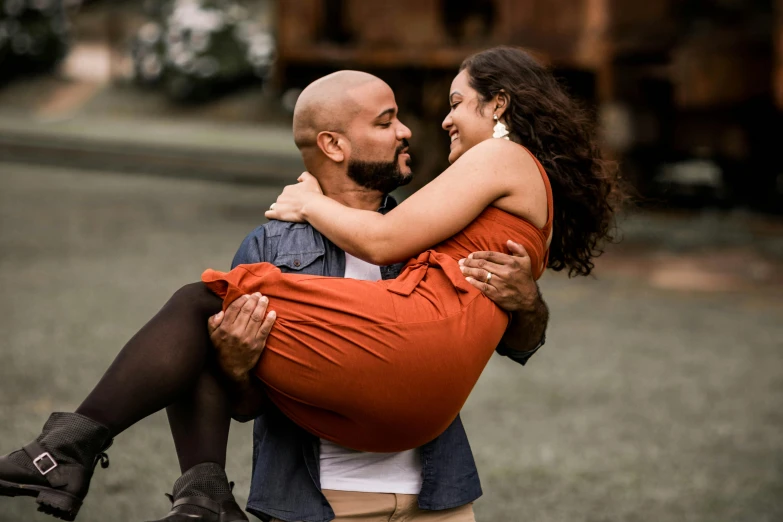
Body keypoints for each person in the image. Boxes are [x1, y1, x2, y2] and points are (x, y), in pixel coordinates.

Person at [0, 46, 621, 521]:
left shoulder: (431, 225)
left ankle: (117, 466)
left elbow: (488, 324)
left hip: (434, 492)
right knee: (206, 315)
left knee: (200, 301)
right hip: (320, 499)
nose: (420, 128)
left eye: (455, 103)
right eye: (388, 121)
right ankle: (171, 485)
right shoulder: (270, 247)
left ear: (501, 105)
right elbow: (241, 399)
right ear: (332, 142)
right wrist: (234, 362)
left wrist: (528, 303)